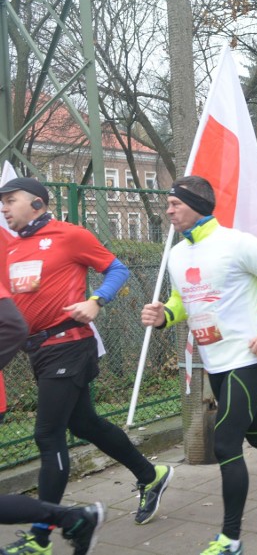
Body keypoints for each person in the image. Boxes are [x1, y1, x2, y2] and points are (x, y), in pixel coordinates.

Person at [141, 176, 257, 554]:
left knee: (226, 441)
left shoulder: (238, 243)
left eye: (174, 204)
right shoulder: (178, 255)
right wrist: (165, 314)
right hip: (215, 362)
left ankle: (230, 539)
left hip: (250, 357)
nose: (168, 211)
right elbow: (184, 301)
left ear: (195, 203)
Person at [0, 177, 173, 554]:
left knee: (48, 435)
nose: (4, 207)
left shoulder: (70, 235)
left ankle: (42, 536)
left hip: (70, 345)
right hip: (38, 351)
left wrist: (97, 300)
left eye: (11, 200)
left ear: (37, 203)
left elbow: (117, 269)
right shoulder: (10, 247)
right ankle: (151, 473)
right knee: (84, 423)